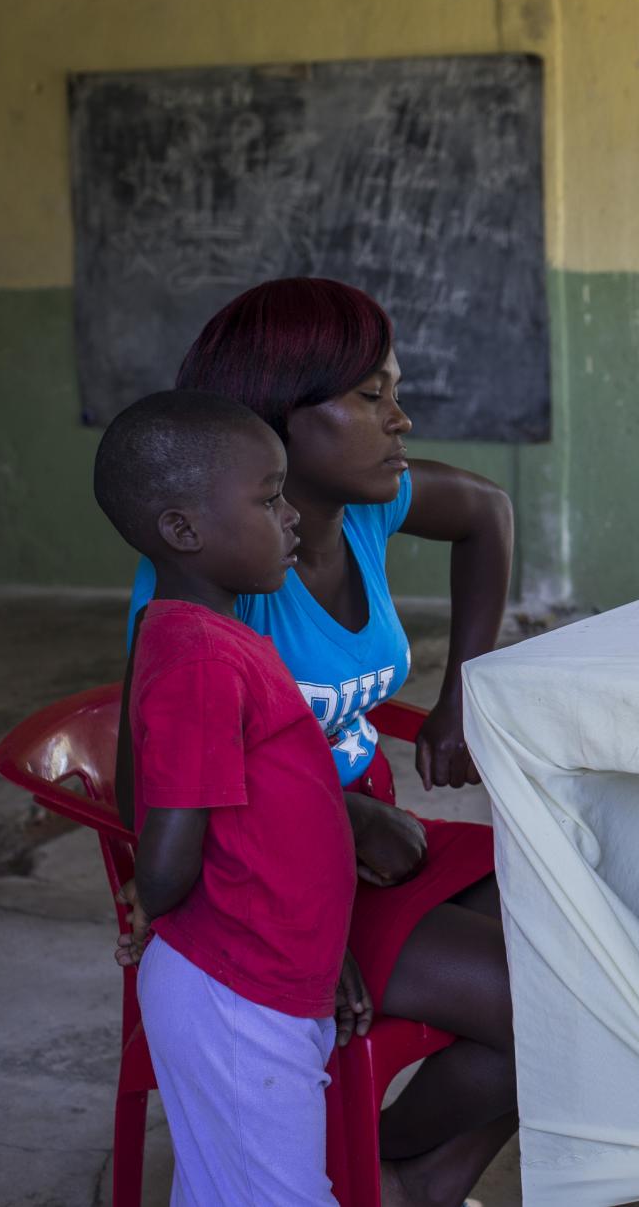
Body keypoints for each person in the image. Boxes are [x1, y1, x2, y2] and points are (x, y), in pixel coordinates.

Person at [119, 278, 518, 1207]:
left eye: (395, 390)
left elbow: (489, 513)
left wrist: (463, 689)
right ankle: (361, 1171)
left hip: (371, 838)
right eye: (372, 396)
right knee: (554, 1006)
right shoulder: (201, 590)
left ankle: (398, 1174)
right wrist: (315, 878)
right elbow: (163, 805)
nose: (401, 418)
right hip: (277, 874)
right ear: (279, 421)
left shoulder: (367, 503)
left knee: (593, 944)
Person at [97, 389, 360, 1205]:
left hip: (260, 979)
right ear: (183, 530)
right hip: (235, 994)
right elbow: (171, 844)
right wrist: (148, 896)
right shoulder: (202, 658)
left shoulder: (197, 635)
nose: (293, 518)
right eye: (269, 497)